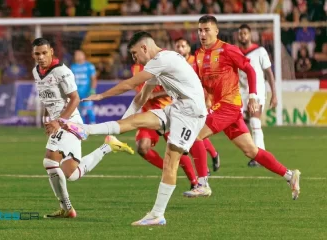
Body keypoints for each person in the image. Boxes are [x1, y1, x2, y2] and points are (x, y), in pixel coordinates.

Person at [47, 31, 208, 226]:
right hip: (177, 107)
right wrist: (122, 124)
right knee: (134, 122)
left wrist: (101, 96)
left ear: (144, 48)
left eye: (134, 53)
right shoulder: (160, 62)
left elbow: (130, 84)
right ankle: (86, 129)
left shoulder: (163, 59)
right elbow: (142, 97)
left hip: (191, 113)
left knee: (170, 163)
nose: (134, 58)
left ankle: (157, 214)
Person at [181, 15, 300, 200]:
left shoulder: (228, 50)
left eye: (206, 30)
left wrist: (253, 96)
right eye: (200, 30)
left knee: (195, 135)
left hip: (229, 106)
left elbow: (250, 70)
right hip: (222, 109)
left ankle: (202, 183)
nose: (202, 34)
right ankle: (290, 175)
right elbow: (196, 82)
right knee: (251, 151)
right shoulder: (198, 55)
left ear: (216, 31)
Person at [31, 38, 134, 219]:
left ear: (52, 52)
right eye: (37, 54)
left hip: (69, 121)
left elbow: (75, 98)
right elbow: (49, 101)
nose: (40, 57)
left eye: (44, 53)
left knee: (49, 162)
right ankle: (107, 146)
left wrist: (58, 121)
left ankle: (67, 209)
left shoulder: (62, 71)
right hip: (58, 123)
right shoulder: (36, 72)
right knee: (71, 174)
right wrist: (48, 118)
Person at [128, 63, 199, 191]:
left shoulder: (164, 64)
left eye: (135, 53)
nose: (134, 56)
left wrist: (154, 95)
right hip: (148, 113)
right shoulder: (135, 68)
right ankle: (167, 170)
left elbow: (175, 88)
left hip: (168, 112)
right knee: (142, 147)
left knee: (176, 148)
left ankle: (195, 182)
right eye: (133, 54)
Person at [174, 37, 221, 173]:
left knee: (193, 133)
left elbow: (205, 80)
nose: (180, 48)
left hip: (198, 100)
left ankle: (204, 166)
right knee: (193, 133)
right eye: (178, 46)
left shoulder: (195, 61)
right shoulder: (176, 63)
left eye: (183, 46)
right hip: (183, 101)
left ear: (189, 48)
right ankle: (212, 156)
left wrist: (208, 98)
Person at [237, 24, 278, 167]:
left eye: (245, 33)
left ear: (250, 35)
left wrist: (274, 94)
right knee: (242, 123)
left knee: (254, 121)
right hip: (241, 93)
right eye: (240, 33)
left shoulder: (260, 51)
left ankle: (260, 155)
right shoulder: (235, 52)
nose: (243, 36)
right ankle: (256, 152)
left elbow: (269, 73)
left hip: (257, 91)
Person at [70, 50, 97, 124]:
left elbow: (93, 79)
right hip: (77, 92)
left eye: (79, 54)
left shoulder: (89, 66)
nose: (77, 56)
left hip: (87, 92)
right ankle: (82, 126)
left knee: (89, 109)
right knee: (78, 110)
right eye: (76, 55)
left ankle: (93, 125)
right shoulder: (73, 67)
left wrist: (92, 89)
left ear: (83, 56)